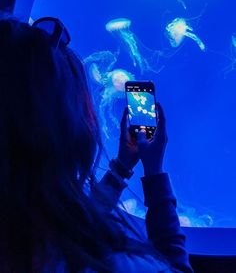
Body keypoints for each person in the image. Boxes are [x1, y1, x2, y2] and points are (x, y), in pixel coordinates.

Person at [0, 18, 193, 273]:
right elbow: (175, 268)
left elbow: (70, 224)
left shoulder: (19, 228)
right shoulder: (109, 266)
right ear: (65, 127)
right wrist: (154, 174)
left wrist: (121, 167)